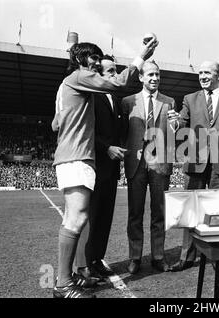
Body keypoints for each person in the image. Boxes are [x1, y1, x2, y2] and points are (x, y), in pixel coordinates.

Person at [51, 38, 158, 298]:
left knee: (79, 218)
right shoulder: (78, 76)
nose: (97, 64)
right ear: (80, 60)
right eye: (94, 59)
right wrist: (141, 54)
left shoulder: (68, 85)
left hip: (72, 155)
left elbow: (55, 124)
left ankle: (71, 277)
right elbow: (119, 83)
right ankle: (63, 283)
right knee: (75, 219)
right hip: (77, 156)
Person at [168, 61, 219, 272]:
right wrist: (174, 122)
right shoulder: (189, 99)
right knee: (191, 210)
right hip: (195, 162)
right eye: (200, 72)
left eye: (207, 72)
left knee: (218, 210)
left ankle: (216, 256)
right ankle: (187, 257)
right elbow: (181, 125)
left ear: (218, 75)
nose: (202, 76)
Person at [73, 55, 125, 281]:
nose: (115, 74)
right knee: (91, 218)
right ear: (100, 76)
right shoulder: (90, 98)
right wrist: (107, 148)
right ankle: (85, 265)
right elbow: (87, 131)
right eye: (110, 71)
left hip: (112, 169)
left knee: (105, 218)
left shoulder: (117, 99)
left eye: (115, 70)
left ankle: (97, 260)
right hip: (95, 165)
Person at [121, 61, 175, 274]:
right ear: (141, 77)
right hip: (135, 163)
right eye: (151, 74)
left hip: (159, 162)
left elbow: (173, 132)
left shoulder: (169, 101)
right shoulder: (127, 102)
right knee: (135, 213)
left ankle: (158, 257)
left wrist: (177, 124)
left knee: (159, 213)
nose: (155, 78)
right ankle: (135, 257)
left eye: (158, 75)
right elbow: (122, 132)